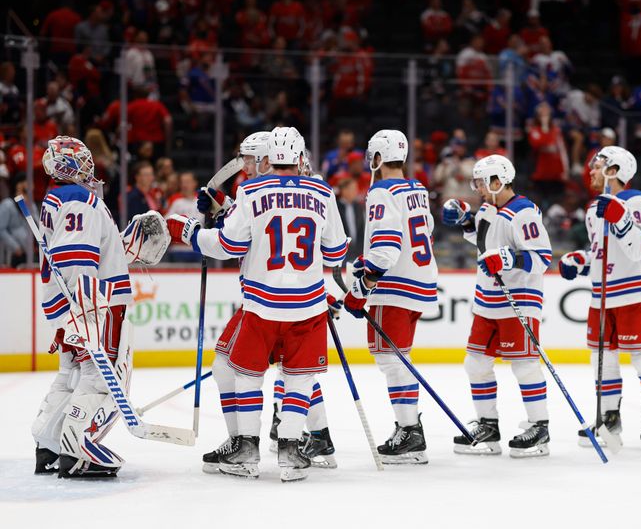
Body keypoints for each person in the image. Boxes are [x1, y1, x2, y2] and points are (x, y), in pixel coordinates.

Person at [167, 127, 348, 482]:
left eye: (250, 158)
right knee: (299, 377)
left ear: (267, 158)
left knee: (246, 374)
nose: (245, 164)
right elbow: (336, 251)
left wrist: (191, 233)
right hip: (308, 303)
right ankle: (292, 451)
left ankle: (246, 446)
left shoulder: (252, 190)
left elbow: (231, 245)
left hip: (262, 302)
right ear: (299, 157)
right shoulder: (323, 191)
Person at [32, 136, 134, 477]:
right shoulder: (79, 198)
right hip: (92, 305)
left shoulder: (59, 197)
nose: (89, 166)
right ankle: (78, 450)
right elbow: (75, 258)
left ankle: (48, 443)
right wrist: (85, 315)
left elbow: (91, 251)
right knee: (99, 378)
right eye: (81, 160)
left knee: (69, 375)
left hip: (66, 304)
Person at [559, 146, 641, 450]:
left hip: (637, 288)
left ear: (614, 170)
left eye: (597, 166)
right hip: (604, 294)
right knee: (602, 357)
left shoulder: (636, 200)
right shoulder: (595, 207)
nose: (591, 171)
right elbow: (602, 255)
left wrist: (620, 216)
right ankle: (609, 418)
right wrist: (579, 261)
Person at [441, 154, 553, 457]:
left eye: (481, 182)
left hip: (519, 298)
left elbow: (542, 258)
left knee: (525, 365)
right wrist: (465, 218)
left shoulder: (524, 212)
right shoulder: (489, 208)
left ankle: (539, 427)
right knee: (475, 363)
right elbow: (483, 242)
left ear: (498, 180)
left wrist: (510, 258)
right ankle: (488, 427)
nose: (476, 188)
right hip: (487, 300)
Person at [342, 130, 439, 464]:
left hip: (395, 287)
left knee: (391, 360)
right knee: (398, 358)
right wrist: (366, 263)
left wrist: (362, 287)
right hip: (421, 280)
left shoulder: (381, 191)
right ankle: (410, 429)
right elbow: (424, 231)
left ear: (378, 158)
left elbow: (385, 250)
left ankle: (410, 431)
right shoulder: (417, 187)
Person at [0, 174, 36, 267]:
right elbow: (1, 228)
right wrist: (15, 247)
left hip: (31, 252)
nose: (32, 185)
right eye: (28, 182)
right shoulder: (8, 204)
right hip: (15, 253)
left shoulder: (32, 204)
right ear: (19, 185)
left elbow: (37, 224)